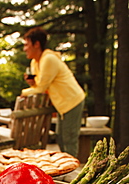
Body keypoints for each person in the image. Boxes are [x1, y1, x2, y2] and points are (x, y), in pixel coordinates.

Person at [21, 27, 85, 158]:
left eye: (27, 45)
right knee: (60, 138)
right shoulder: (35, 62)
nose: (25, 49)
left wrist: (23, 92)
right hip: (62, 105)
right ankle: (66, 168)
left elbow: (39, 89)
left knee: (69, 139)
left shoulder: (48, 59)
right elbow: (40, 85)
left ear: (37, 44)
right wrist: (32, 84)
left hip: (72, 101)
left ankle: (71, 171)